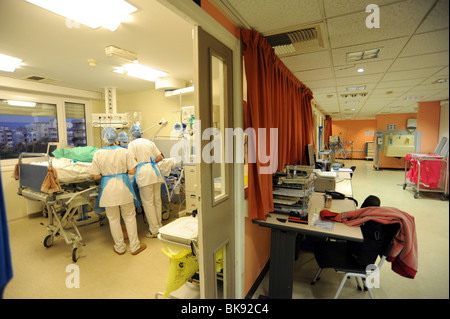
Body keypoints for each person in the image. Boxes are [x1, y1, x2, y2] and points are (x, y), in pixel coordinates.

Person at [91, 126, 146, 255]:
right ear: (116, 138)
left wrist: (107, 174)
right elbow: (132, 171)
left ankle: (120, 247)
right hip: (123, 187)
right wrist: (120, 172)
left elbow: (96, 176)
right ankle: (134, 246)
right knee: (129, 217)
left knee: (113, 219)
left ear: (104, 138)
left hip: (108, 190)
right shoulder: (124, 152)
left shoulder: (98, 153)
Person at [127, 123, 164, 238]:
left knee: (148, 203)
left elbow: (132, 160)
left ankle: (154, 230)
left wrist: (139, 163)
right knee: (157, 200)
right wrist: (151, 162)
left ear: (132, 134)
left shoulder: (132, 144)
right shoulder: (150, 142)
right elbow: (160, 157)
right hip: (155, 171)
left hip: (143, 173)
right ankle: (160, 226)